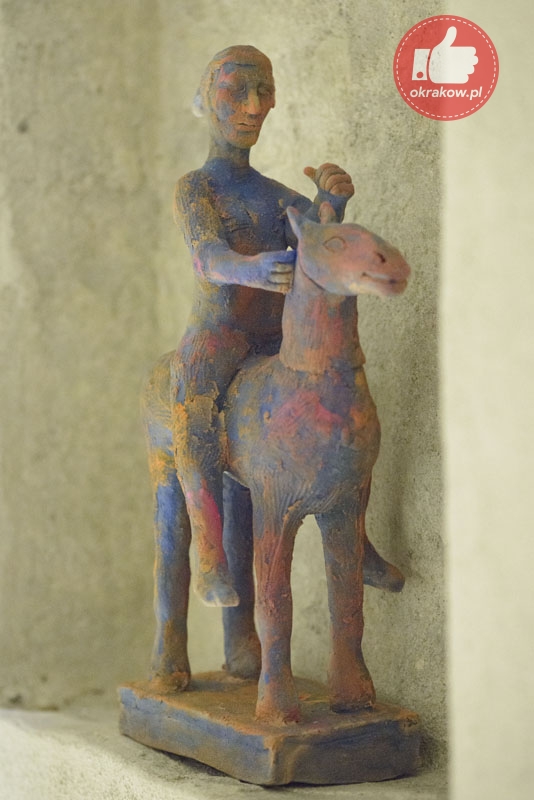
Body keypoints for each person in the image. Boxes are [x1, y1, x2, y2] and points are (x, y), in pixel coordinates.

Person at [172, 45, 403, 606]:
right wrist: (248, 268)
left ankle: (355, 538)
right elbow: (206, 256)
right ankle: (210, 553)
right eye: (236, 92)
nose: (252, 106)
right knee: (192, 407)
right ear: (205, 101)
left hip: (281, 340)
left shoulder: (281, 200)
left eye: (263, 91)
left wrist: (330, 205)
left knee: (347, 407)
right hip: (220, 335)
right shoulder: (196, 188)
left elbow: (318, 248)